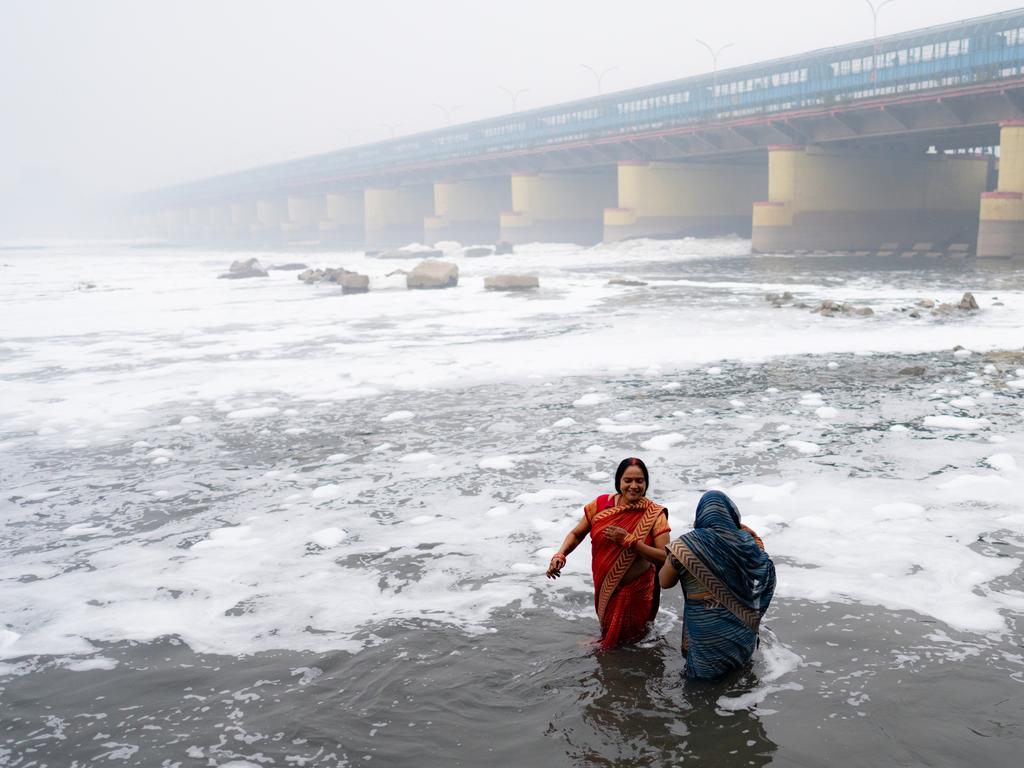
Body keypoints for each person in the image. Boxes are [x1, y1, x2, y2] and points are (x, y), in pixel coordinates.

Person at [546, 457, 671, 649]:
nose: (634, 486)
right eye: (627, 480)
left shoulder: (654, 514)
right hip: (605, 586)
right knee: (612, 636)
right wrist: (560, 555)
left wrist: (630, 541)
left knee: (634, 644)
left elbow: (665, 557)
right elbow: (576, 534)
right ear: (618, 481)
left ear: (646, 483)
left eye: (640, 481)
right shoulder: (600, 505)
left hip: (636, 591)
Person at [659, 490, 776, 679]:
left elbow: (664, 582)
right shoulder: (747, 543)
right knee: (741, 682)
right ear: (732, 514)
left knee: (701, 688)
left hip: (707, 633)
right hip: (742, 631)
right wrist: (746, 532)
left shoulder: (686, 544)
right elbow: (763, 563)